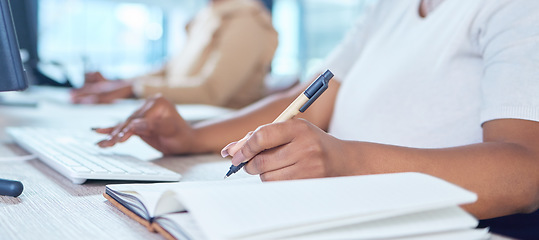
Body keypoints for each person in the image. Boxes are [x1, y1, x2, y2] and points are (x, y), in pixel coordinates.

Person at [93, 0, 539, 238]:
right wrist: (192, 137)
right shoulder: (388, 6)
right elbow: (305, 101)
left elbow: (525, 173)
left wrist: (345, 161)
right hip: (332, 207)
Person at [70, 0, 278, 109]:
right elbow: (170, 71)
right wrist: (117, 84)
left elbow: (212, 92)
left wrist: (133, 89)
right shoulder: (207, 14)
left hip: (220, 132)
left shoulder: (246, 18)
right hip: (188, 116)